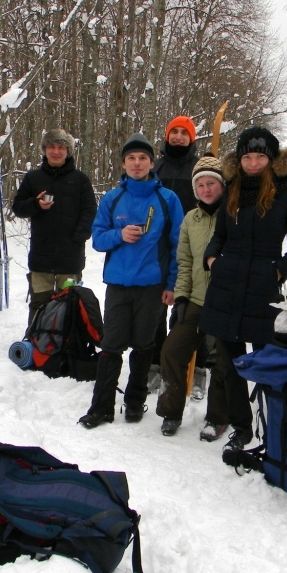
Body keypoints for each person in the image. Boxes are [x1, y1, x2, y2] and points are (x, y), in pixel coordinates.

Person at [200, 127, 287, 454]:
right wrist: (211, 258)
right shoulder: (231, 189)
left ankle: (273, 422)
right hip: (225, 286)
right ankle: (242, 426)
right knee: (231, 364)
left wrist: (279, 269)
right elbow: (219, 234)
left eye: (260, 157)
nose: (253, 163)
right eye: (247, 157)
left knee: (267, 361)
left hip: (263, 289)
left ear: (271, 158)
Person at [78, 133, 184, 429]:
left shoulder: (167, 199)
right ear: (123, 164)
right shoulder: (113, 199)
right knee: (111, 346)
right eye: (131, 159)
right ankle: (101, 408)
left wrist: (172, 284)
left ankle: (135, 402)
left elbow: (178, 245)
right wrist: (119, 235)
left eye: (143, 158)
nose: (137, 163)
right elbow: (98, 239)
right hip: (118, 285)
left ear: (152, 163)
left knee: (143, 346)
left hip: (152, 286)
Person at [156, 155, 228, 439]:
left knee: (223, 360)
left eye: (211, 183)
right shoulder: (191, 219)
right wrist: (182, 299)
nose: (206, 190)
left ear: (221, 185)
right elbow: (184, 262)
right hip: (196, 300)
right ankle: (171, 412)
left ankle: (218, 417)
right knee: (172, 351)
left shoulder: (233, 216)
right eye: (200, 185)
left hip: (225, 303)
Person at [11, 128, 97, 327]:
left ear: (68, 151)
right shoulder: (33, 178)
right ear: (44, 150)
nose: (56, 151)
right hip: (41, 256)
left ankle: (67, 348)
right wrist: (35, 204)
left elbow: (90, 211)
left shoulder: (80, 180)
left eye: (61, 147)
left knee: (70, 304)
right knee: (40, 304)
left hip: (70, 256)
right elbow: (18, 207)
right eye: (51, 147)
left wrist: (78, 238)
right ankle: (34, 345)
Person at [149, 116, 201, 378]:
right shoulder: (155, 168)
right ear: (167, 135)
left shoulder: (198, 169)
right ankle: (155, 361)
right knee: (156, 307)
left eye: (184, 132)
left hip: (190, 248)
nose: (178, 137)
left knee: (184, 308)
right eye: (174, 132)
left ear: (191, 138)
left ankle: (183, 363)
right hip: (157, 249)